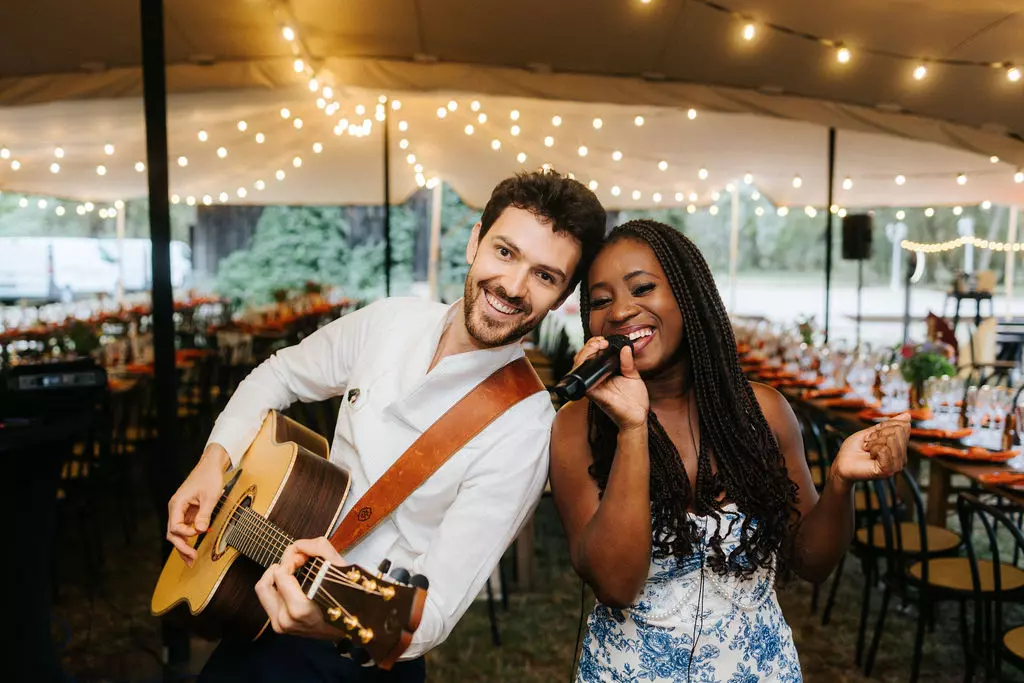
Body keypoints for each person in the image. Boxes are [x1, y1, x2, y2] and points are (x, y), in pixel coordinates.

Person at [165, 170, 607, 683]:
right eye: (505, 252)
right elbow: (279, 373)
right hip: (260, 600)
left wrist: (333, 622)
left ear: (563, 296)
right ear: (474, 241)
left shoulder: (526, 428)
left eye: (545, 276)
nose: (512, 286)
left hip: (359, 655)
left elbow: (436, 609)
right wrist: (212, 462)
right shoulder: (391, 321)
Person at [549, 219, 910, 682]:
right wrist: (632, 429)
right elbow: (616, 585)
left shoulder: (764, 412)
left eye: (642, 288)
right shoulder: (578, 427)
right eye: (600, 300)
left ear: (688, 296)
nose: (620, 311)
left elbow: (811, 562)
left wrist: (839, 484)